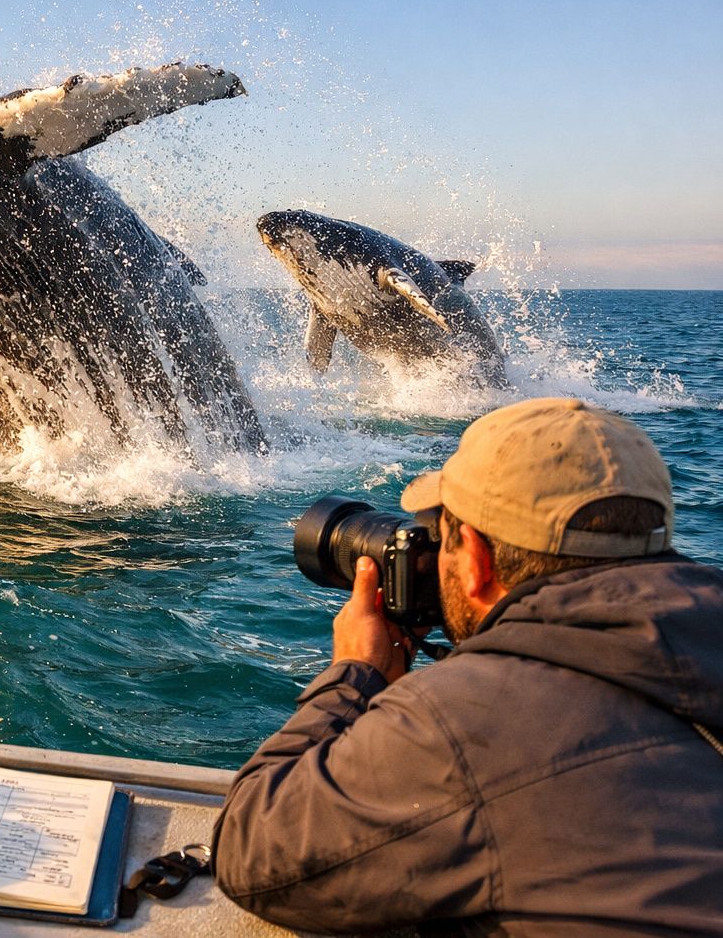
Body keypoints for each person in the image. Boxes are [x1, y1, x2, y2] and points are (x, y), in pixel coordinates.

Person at [212, 397, 723, 936]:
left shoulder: (465, 720)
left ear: (476, 560)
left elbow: (254, 853)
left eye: (442, 535)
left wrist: (355, 675)